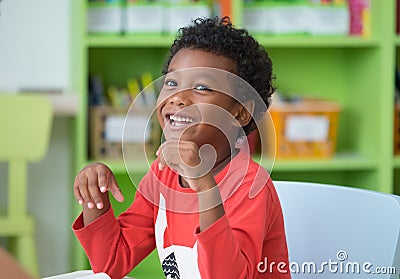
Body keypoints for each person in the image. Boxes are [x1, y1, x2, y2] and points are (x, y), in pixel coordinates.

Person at [72, 17, 291, 279]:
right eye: (171, 83)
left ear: (241, 113)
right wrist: (95, 197)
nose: (177, 97)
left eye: (202, 87)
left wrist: (205, 187)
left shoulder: (250, 185)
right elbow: (112, 263)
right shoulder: (162, 175)